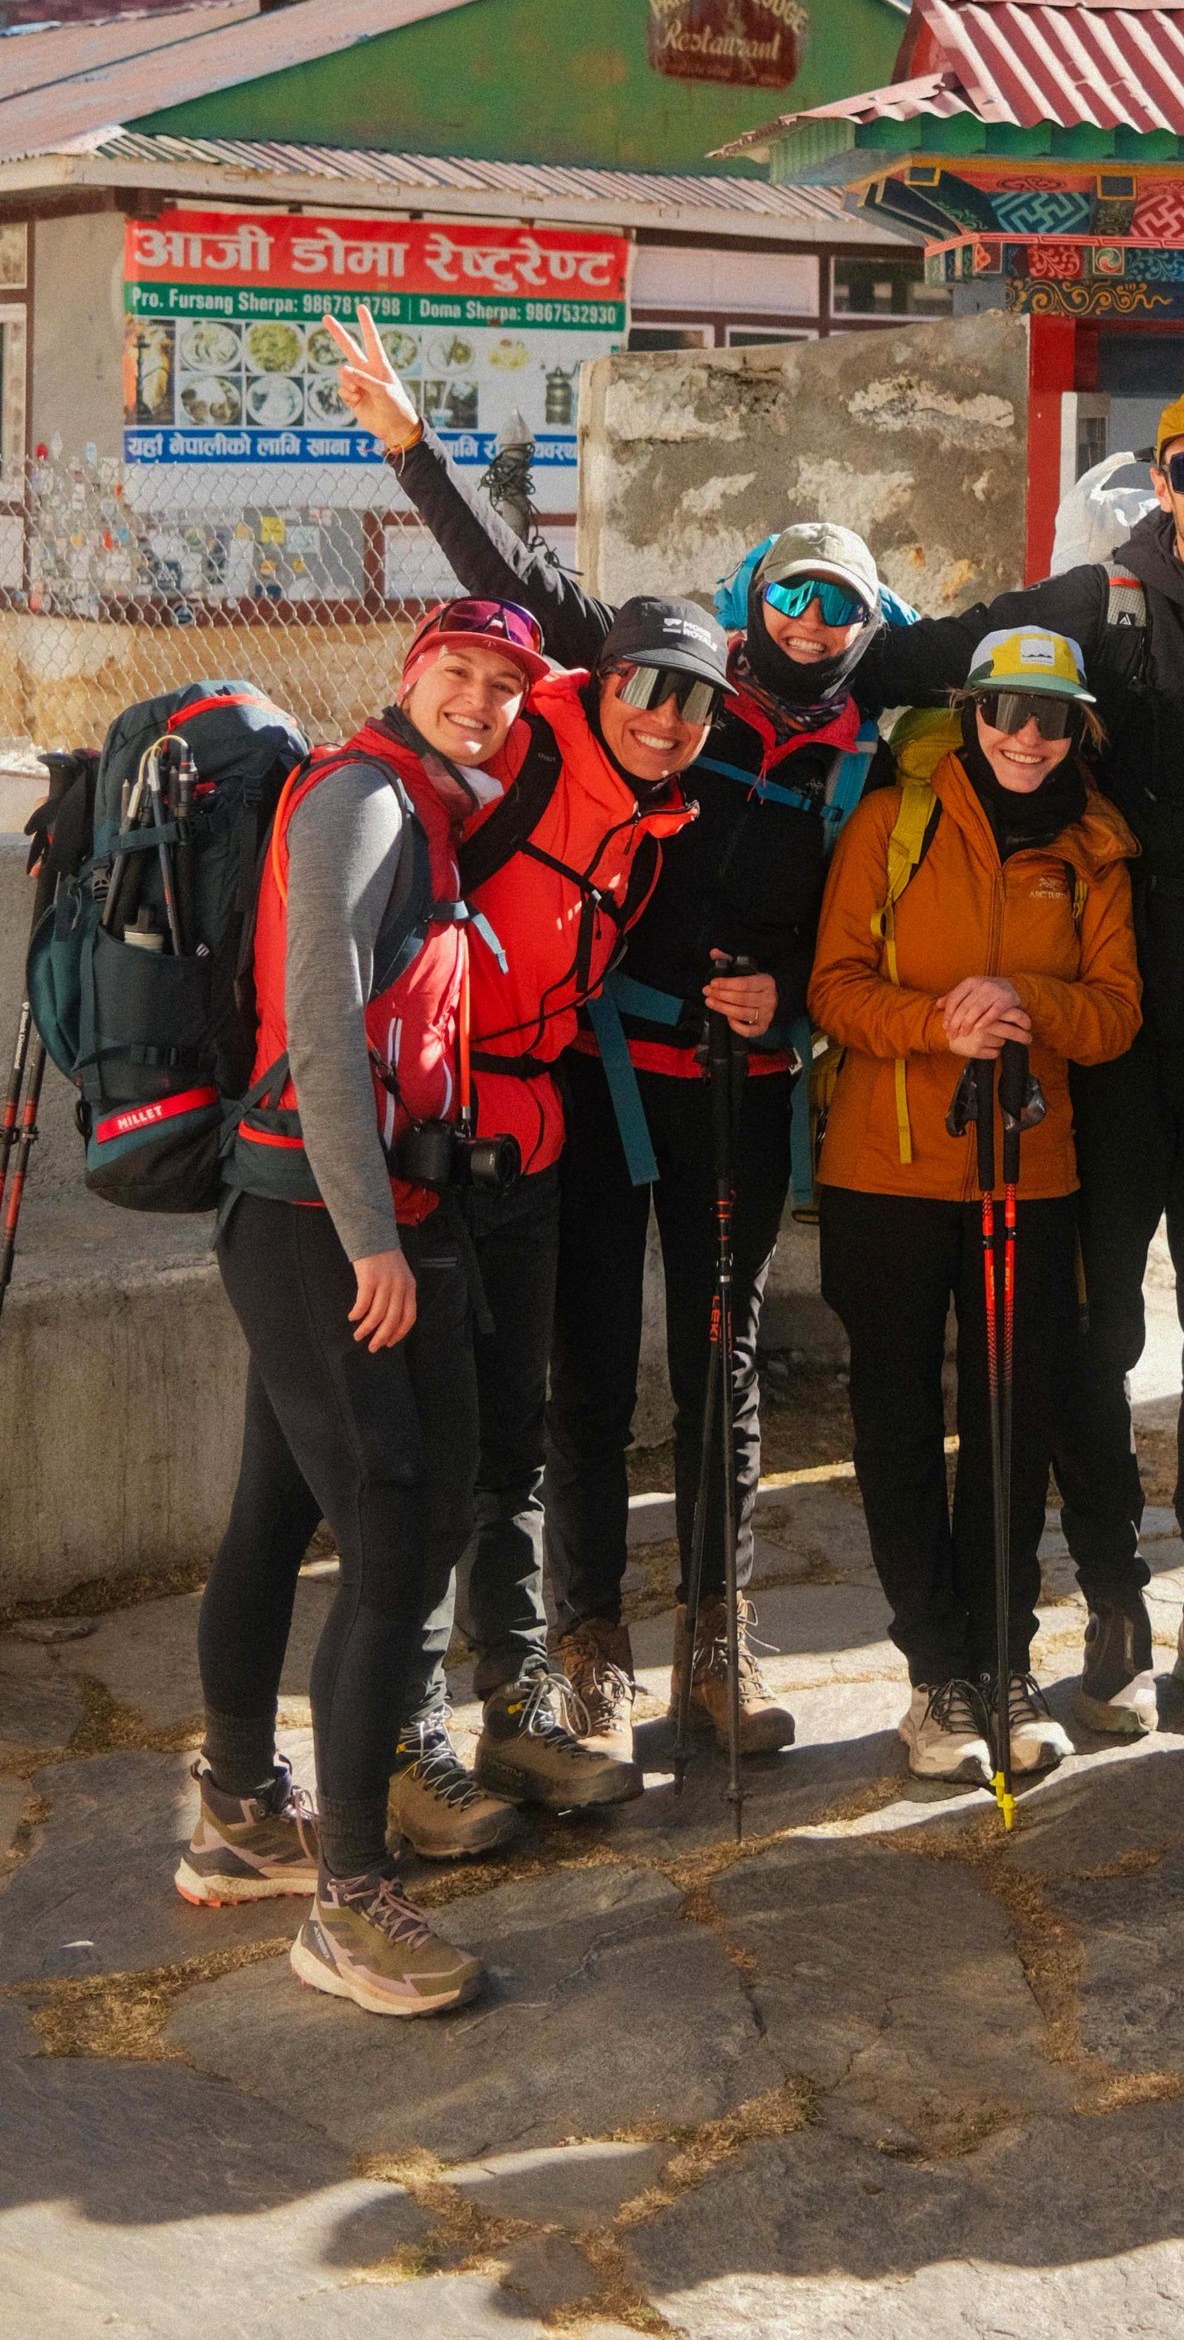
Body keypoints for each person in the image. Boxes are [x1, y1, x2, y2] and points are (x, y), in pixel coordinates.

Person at [331, 303, 896, 1780]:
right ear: (749, 592)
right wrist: (413, 447)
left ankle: (718, 1647)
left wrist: (780, 985)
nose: (816, 625)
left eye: (844, 608)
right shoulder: (646, 676)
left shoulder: (858, 754)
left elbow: (849, 920)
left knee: (727, 1365)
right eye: (797, 595)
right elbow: (508, 577)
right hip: (592, 1085)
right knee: (585, 1372)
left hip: (741, 1097)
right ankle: (588, 1655)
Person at [881, 381, 1184, 1738]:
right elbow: (927, 659)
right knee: (1089, 1329)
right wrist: (764, 662)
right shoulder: (1095, 603)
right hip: (1099, 1010)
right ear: (1164, 481)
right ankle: (1110, 1586)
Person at [183, 598, 546, 2018]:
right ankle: (347, 1903)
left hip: (350, 1210)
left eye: (503, 684)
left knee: (281, 1509)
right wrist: (369, 1241)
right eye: (458, 672)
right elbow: (325, 1028)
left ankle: (235, 1810)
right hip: (323, 1222)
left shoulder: (424, 806)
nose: (480, 699)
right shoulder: (362, 799)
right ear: (411, 677)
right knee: (396, 1524)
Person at [389, 595, 711, 1847]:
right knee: (419, 1453)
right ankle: (406, 1743)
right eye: (642, 685)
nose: (662, 716)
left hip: (524, 1141)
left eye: (688, 700)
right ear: (600, 681)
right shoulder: (522, 746)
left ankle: (514, 1710)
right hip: (422, 1144)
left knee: (512, 1441)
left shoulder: (645, 812)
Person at [807, 626, 1142, 1776]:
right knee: (898, 1419)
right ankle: (933, 1675)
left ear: (1078, 727)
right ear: (972, 711)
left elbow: (1115, 1013)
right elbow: (834, 989)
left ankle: (1002, 1661)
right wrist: (935, 1021)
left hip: (1028, 1175)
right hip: (884, 1170)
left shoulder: (1094, 847)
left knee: (1011, 1420)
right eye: (1005, 710)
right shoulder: (892, 825)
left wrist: (1026, 1001)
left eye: (1052, 717)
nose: (1026, 737)